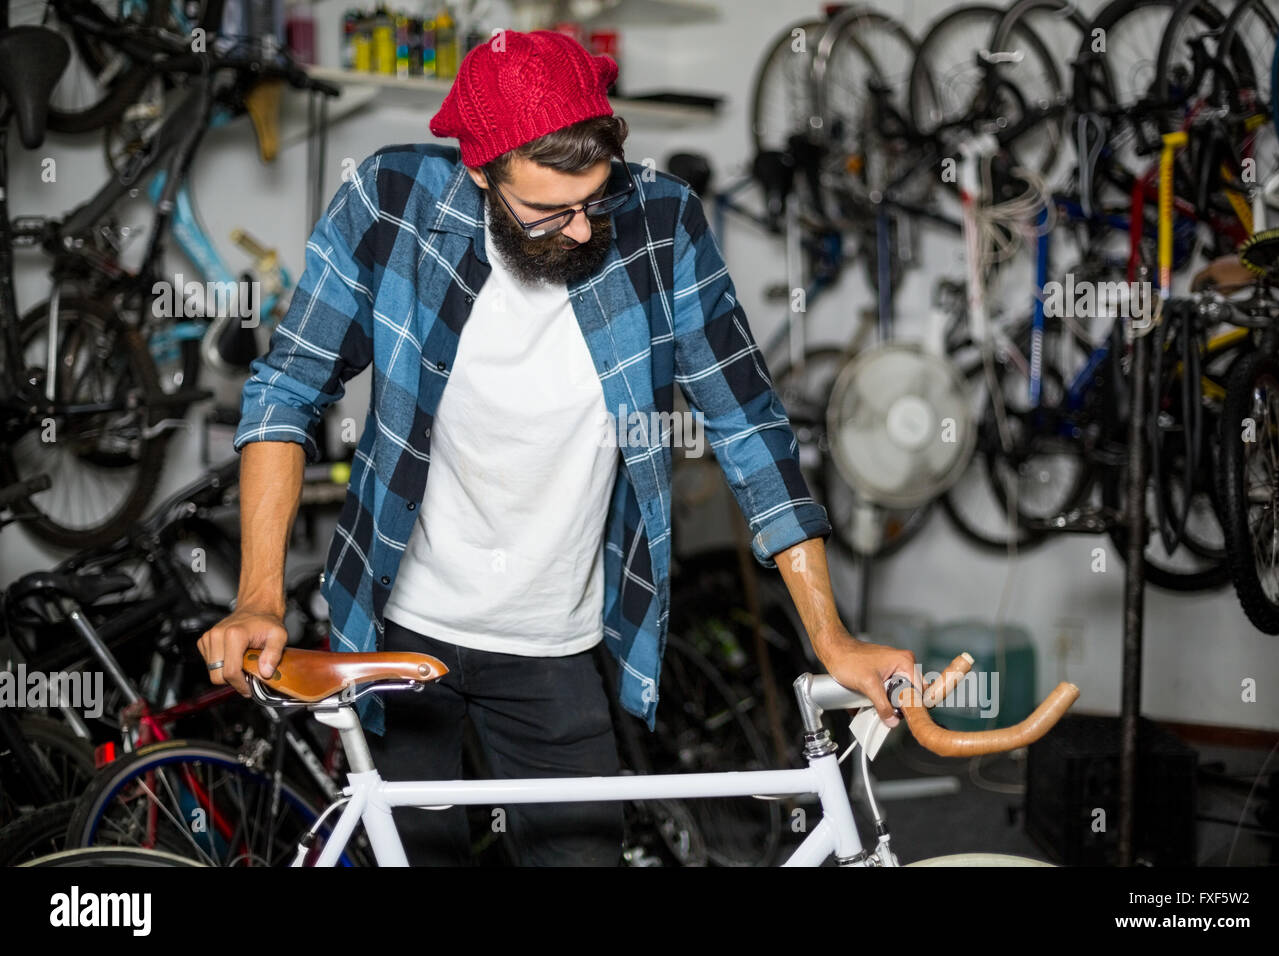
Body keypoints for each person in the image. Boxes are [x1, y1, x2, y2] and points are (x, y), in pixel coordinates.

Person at [198, 28, 919, 866]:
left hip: (556, 643)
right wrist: (256, 597)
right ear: (479, 173)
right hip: (399, 629)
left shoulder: (661, 222)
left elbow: (748, 424)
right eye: (549, 211)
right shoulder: (389, 203)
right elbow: (286, 391)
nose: (580, 231)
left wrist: (831, 635)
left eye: (594, 201)